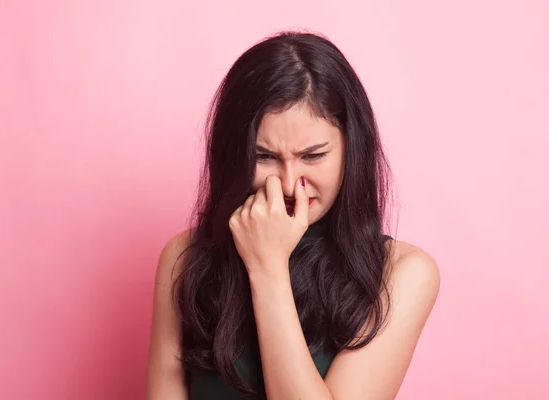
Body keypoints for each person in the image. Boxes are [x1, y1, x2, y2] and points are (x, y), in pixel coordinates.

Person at [145, 31, 440, 400]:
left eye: (312, 156)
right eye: (265, 157)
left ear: (352, 150)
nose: (288, 184)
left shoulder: (401, 273)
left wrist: (267, 268)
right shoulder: (186, 257)